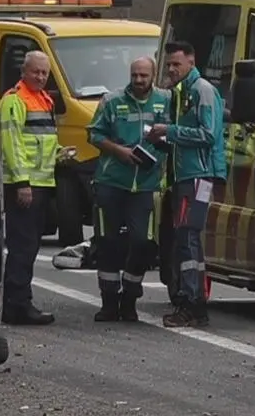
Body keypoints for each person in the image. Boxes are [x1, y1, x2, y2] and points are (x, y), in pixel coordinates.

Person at [147, 41, 226, 329]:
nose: (170, 69)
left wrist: (170, 131)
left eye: (176, 64)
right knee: (185, 239)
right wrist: (164, 141)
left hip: (198, 176)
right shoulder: (181, 93)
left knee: (188, 238)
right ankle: (192, 301)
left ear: (191, 63)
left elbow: (207, 134)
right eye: (168, 64)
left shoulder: (201, 90)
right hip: (186, 176)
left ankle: (192, 303)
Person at [86, 55, 168, 322]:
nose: (138, 80)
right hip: (111, 182)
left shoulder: (166, 100)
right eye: (134, 75)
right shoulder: (112, 101)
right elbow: (94, 134)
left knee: (142, 243)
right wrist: (119, 151)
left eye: (144, 75)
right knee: (107, 243)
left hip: (146, 184)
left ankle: (130, 297)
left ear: (153, 75)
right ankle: (109, 301)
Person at [0, 50, 59, 325]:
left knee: (30, 246)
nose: (41, 77)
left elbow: (40, 141)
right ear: (24, 71)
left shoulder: (43, 100)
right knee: (22, 246)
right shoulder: (15, 99)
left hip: (42, 183)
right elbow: (12, 144)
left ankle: (20, 301)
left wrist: (59, 154)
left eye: (45, 72)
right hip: (25, 185)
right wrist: (22, 183)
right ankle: (16, 304)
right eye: (36, 71)